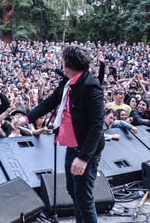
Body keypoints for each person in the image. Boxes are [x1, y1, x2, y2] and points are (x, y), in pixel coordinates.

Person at [26, 45, 104, 223]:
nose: (61, 64)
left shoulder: (92, 87)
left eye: (63, 61)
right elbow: (49, 103)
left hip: (86, 151)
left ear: (69, 66)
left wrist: (84, 158)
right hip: (72, 146)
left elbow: (97, 125)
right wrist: (25, 118)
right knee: (73, 191)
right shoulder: (69, 82)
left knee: (84, 198)